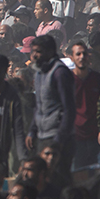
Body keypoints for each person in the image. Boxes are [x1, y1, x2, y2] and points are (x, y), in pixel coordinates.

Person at [27, 35, 75, 179]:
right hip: (43, 134)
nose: (34, 55)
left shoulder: (60, 72)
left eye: (39, 51)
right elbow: (39, 105)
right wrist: (32, 131)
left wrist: (60, 139)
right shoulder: (40, 72)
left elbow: (69, 109)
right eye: (33, 51)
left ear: (49, 52)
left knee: (58, 178)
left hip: (56, 136)